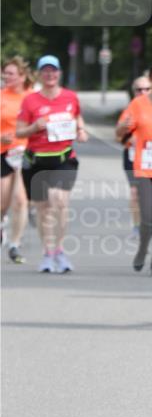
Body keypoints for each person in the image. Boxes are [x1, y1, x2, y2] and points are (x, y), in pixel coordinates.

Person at [16, 55, 88, 273]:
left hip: (63, 158)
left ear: (59, 73)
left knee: (58, 200)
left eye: (54, 70)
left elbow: (77, 119)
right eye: (45, 71)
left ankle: (59, 249)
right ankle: (48, 252)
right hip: (36, 160)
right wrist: (33, 127)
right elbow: (19, 131)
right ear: (39, 74)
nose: (50, 74)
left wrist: (81, 131)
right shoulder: (30, 101)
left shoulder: (70, 97)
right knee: (42, 209)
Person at [116, 64, 152, 276]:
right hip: (145, 167)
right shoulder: (138, 104)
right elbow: (119, 132)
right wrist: (124, 127)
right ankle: (142, 249)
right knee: (148, 217)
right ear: (151, 79)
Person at [1, 56, 32, 263]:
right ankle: (2, 222)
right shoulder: (1, 96)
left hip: (24, 153)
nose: (6, 77)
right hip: (3, 152)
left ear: (22, 76)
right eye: (5, 73)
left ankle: (15, 244)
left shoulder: (32, 98)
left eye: (11, 73)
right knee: (2, 200)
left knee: (21, 201)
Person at [116, 76, 151, 236]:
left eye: (146, 89)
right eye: (139, 89)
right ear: (133, 91)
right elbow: (118, 136)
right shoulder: (129, 110)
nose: (142, 92)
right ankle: (138, 226)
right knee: (135, 192)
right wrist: (130, 138)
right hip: (132, 157)